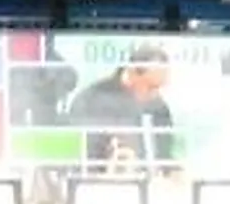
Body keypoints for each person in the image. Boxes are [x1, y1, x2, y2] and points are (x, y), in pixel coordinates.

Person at [65, 45, 176, 175]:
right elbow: (83, 159)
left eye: (160, 88)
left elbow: (164, 155)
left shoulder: (159, 109)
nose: (156, 95)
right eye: (151, 87)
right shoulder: (92, 100)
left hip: (153, 188)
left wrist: (172, 171)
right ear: (132, 73)